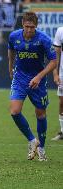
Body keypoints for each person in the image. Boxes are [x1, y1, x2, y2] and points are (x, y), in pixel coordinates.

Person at [8, 12, 57, 161]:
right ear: (22, 24)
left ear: (36, 26)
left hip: (38, 81)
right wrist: (10, 67)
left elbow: (53, 61)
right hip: (20, 78)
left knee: (40, 114)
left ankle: (41, 147)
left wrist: (39, 76)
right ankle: (32, 140)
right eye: (27, 26)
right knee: (15, 112)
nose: (29, 30)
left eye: (32, 27)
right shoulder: (14, 36)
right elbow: (11, 51)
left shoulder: (44, 40)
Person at [51, 26, 63, 141]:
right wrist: (55, 73)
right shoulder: (61, 31)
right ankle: (62, 131)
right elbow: (56, 55)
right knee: (62, 102)